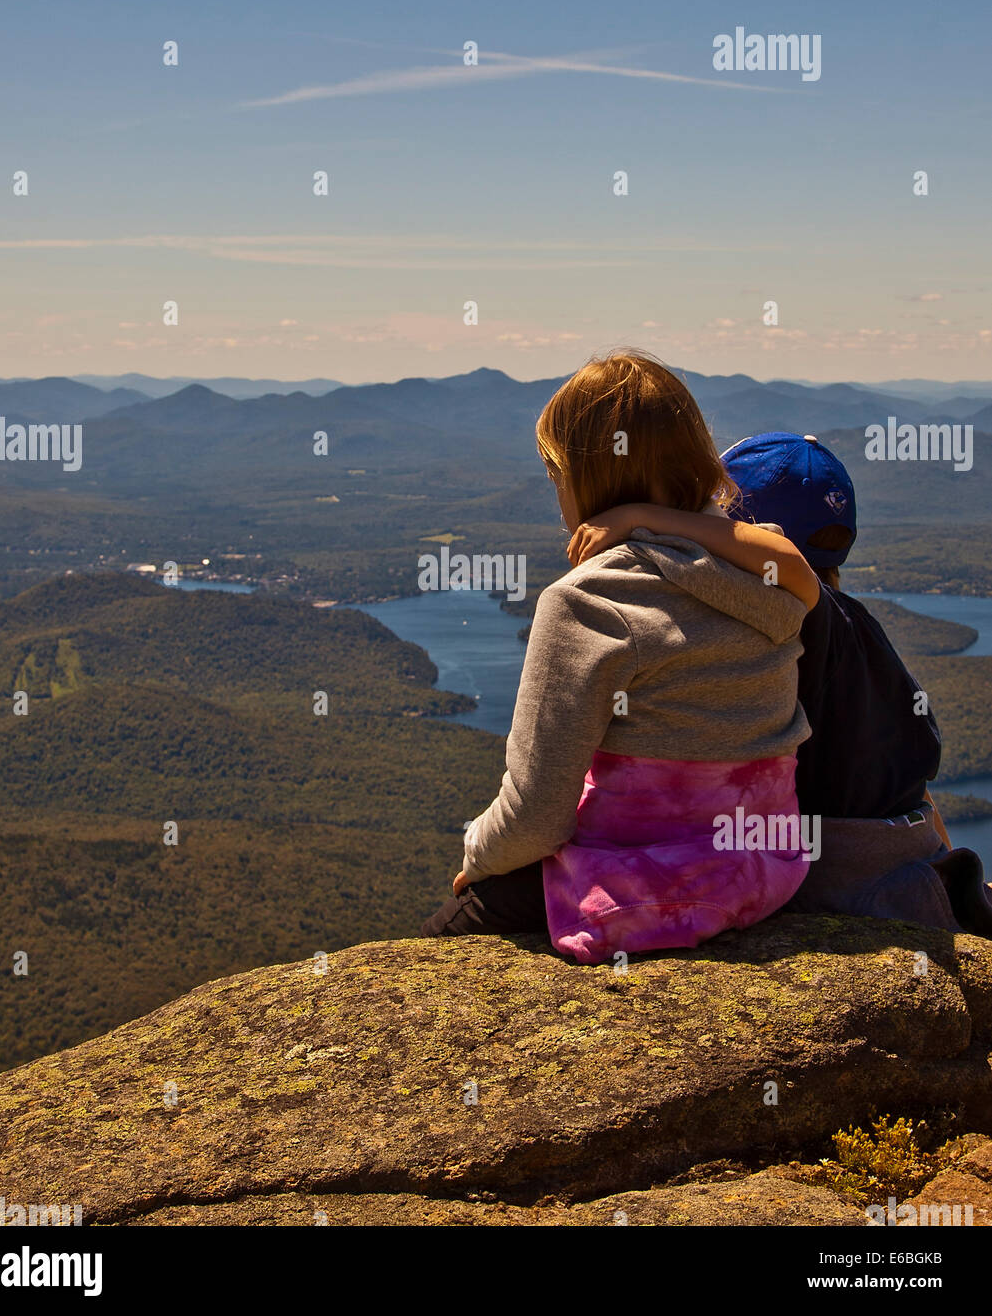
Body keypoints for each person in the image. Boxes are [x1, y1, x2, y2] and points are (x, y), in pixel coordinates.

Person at [421, 352, 819, 964]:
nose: (557, 493)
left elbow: (536, 819)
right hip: (765, 872)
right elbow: (793, 564)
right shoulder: (767, 583)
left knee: (427, 958)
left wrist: (476, 853)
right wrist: (652, 516)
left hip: (639, 888)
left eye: (558, 475)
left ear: (586, 480)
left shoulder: (587, 600)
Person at [570, 430, 992, 937]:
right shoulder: (863, 630)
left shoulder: (795, 625)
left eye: (712, 513)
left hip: (841, 879)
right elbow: (917, 783)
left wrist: (643, 516)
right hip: (916, 860)